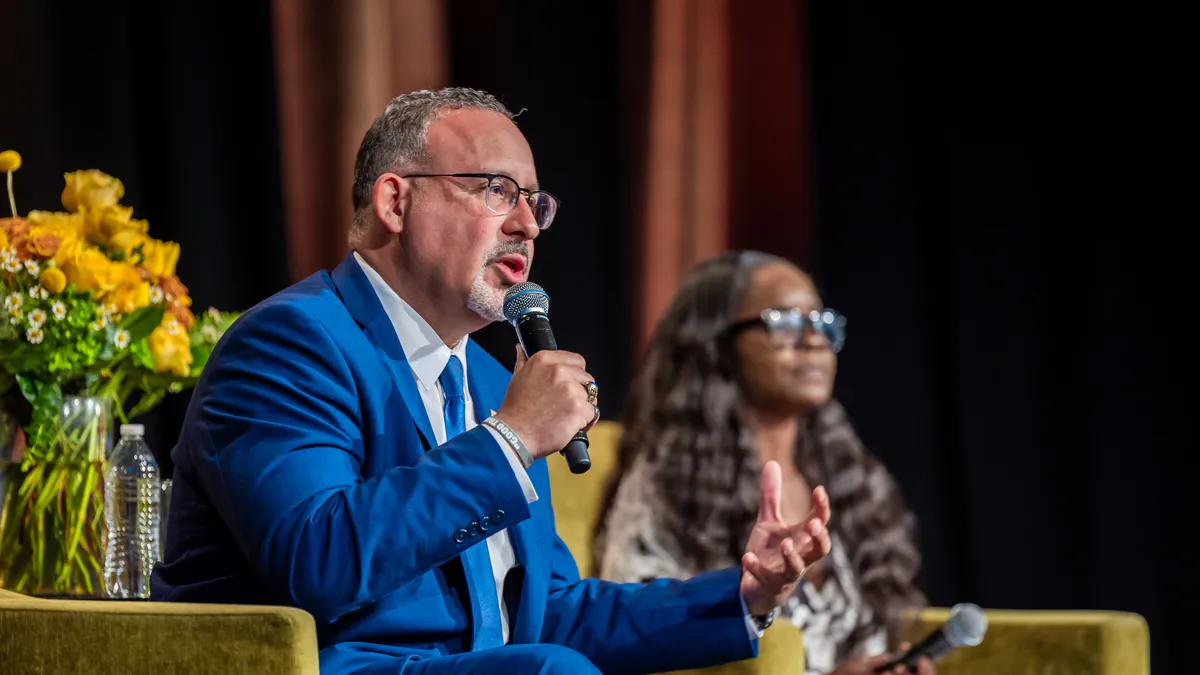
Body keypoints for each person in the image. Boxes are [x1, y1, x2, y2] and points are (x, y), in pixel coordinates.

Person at [150, 88, 834, 675]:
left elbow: (548, 611)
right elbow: (317, 559)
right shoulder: (292, 344)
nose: (528, 223)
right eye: (496, 189)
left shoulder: (486, 376)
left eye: (536, 201)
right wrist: (509, 440)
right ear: (395, 199)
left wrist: (744, 594)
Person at [594, 251, 933, 675]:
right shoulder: (666, 485)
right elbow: (637, 636)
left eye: (822, 323)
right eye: (785, 322)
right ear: (716, 343)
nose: (813, 341)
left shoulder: (852, 478)